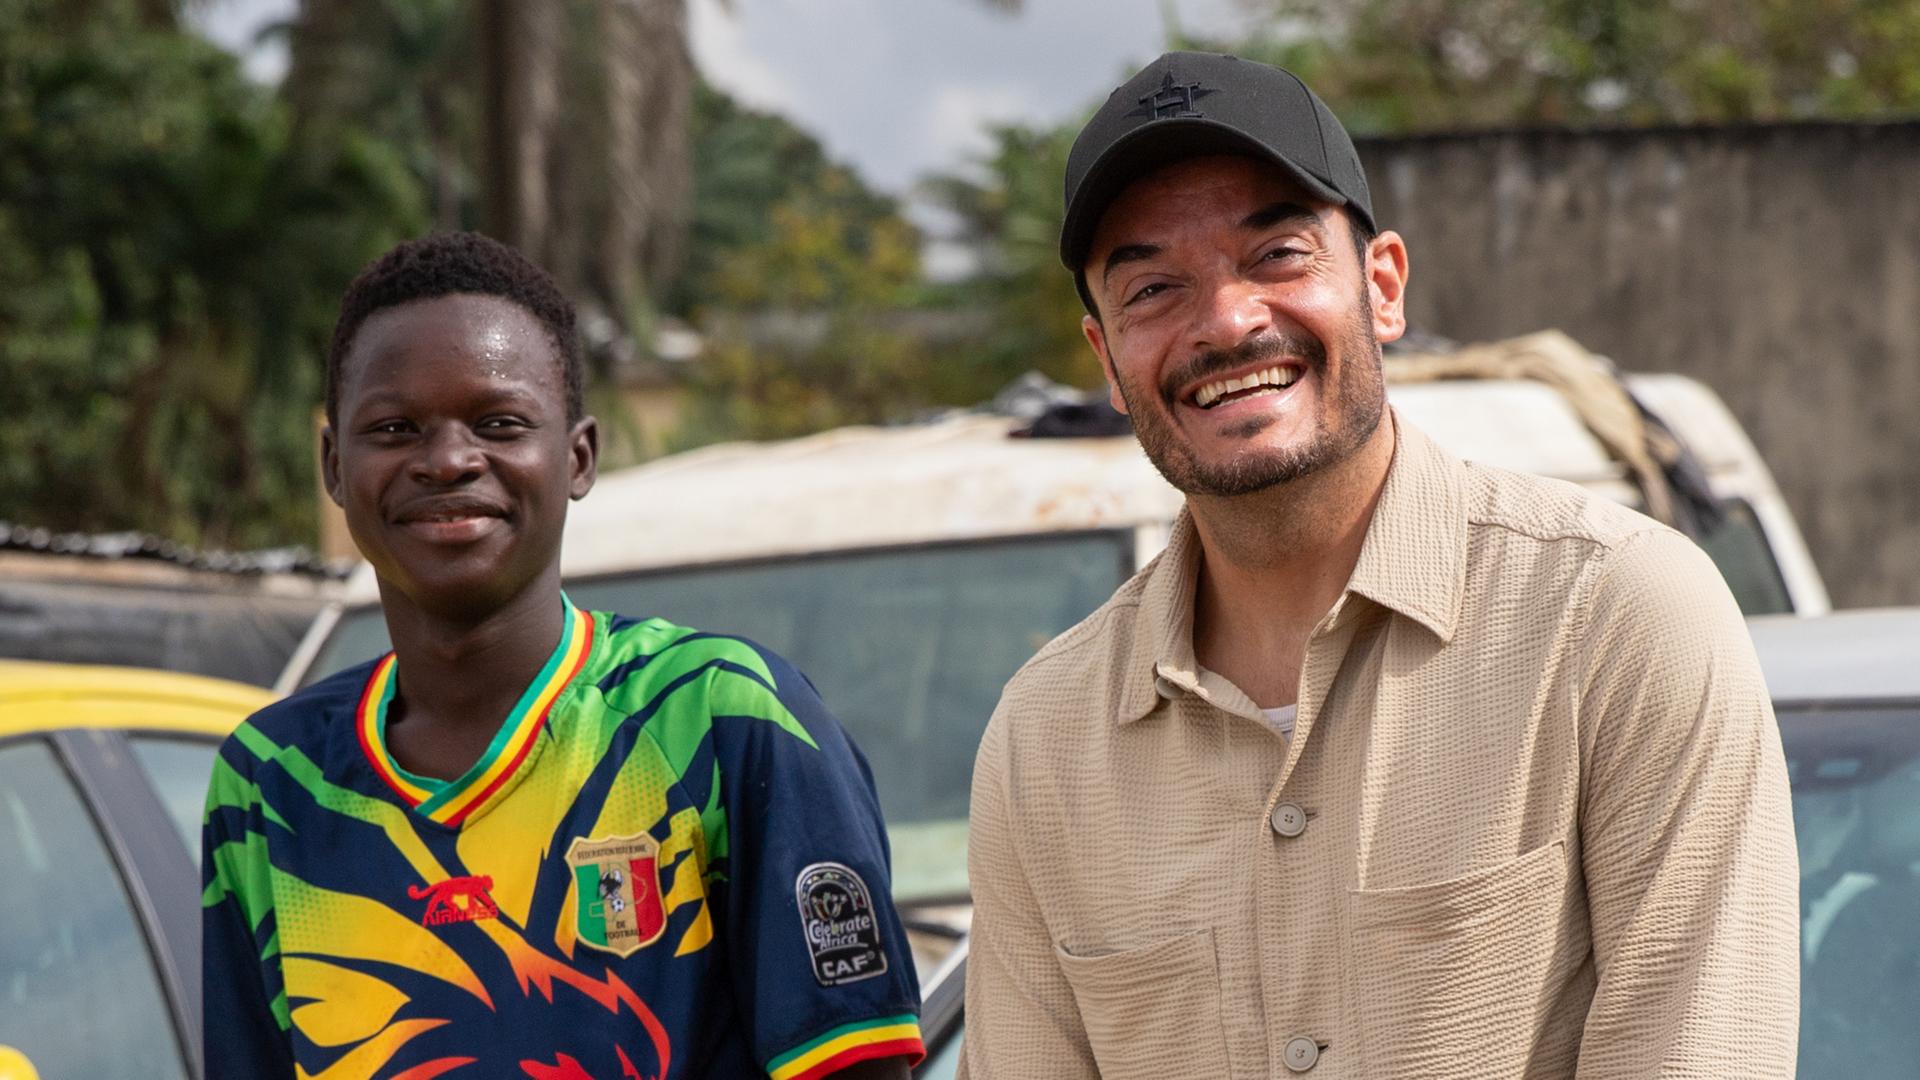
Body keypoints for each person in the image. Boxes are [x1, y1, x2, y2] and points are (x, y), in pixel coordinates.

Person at [960, 51, 1798, 1079]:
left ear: (1384, 286)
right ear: (1105, 356)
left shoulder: (1614, 616)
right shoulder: (1045, 742)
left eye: (1277, 254)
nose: (1226, 322)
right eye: (1154, 288)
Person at [202, 232, 922, 1080]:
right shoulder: (270, 778)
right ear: (333, 464)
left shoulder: (722, 717)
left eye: (498, 424)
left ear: (577, 457)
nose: (448, 460)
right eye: (395, 428)